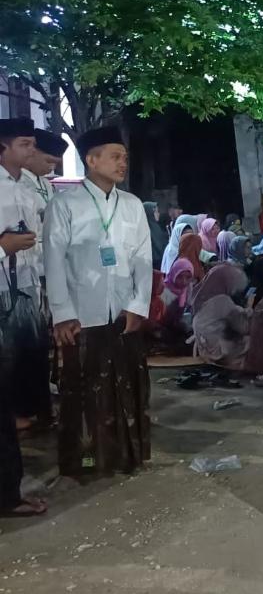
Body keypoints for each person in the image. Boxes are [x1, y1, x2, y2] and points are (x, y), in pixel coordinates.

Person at [45, 126, 153, 482]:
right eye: (115, 156)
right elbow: (53, 261)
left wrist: (138, 305)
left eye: (125, 157)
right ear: (91, 160)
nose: (123, 163)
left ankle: (125, 456)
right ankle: (88, 463)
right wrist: (62, 313)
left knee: (127, 386)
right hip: (82, 313)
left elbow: (142, 259)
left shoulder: (132, 205)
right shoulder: (65, 204)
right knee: (84, 391)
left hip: (123, 312)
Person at [0, 117, 49, 516]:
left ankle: (10, 492)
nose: (32, 150)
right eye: (25, 144)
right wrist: (4, 247)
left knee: (15, 392)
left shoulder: (28, 187)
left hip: (25, 295)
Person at [143, 202, 169, 270]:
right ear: (148, 213)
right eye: (155, 211)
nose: (158, 213)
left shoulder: (157, 227)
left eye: (158, 211)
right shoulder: (144, 230)